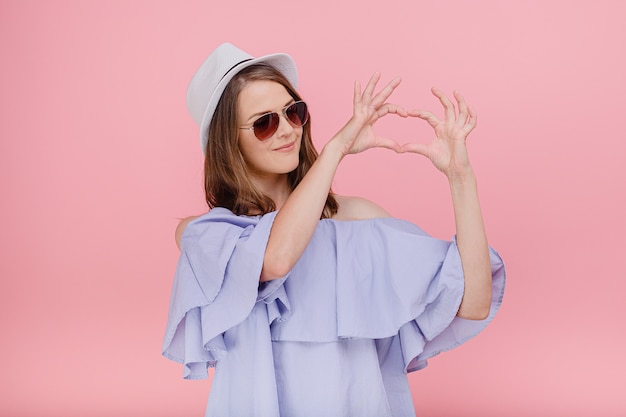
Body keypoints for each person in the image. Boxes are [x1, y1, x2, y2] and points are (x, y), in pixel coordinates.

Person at [162, 42, 505, 417]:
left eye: (293, 112)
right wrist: (336, 149)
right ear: (230, 143)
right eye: (264, 123)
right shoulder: (208, 235)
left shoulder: (355, 219)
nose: (288, 131)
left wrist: (461, 178)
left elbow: (473, 303)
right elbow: (276, 259)